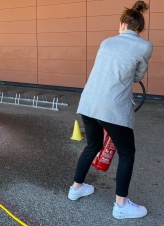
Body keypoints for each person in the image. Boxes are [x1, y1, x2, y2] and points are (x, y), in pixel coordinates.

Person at [67, 0, 153, 219]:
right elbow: (136, 76)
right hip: (112, 106)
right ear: (139, 29)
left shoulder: (106, 42)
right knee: (127, 153)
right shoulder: (144, 46)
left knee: (93, 145)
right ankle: (121, 206)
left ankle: (76, 189)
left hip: (88, 103)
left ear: (122, 25)